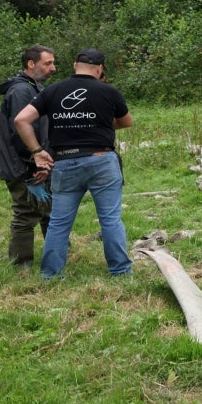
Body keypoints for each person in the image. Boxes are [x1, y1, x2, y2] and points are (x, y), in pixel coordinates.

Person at [14, 49, 134, 279]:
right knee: (109, 218)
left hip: (65, 162)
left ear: (74, 65)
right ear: (99, 69)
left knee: (58, 222)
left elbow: (21, 120)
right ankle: (120, 271)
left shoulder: (53, 90)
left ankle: (50, 274)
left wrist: (37, 151)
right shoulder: (108, 91)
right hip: (101, 161)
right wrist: (98, 126)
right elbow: (126, 122)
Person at [0, 45, 57, 266]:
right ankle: (21, 265)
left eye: (53, 63)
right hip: (22, 165)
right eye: (48, 63)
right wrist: (34, 164)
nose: (53, 68)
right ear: (31, 63)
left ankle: (57, 254)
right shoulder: (21, 91)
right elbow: (20, 132)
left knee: (48, 209)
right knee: (26, 212)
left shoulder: (32, 88)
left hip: (34, 162)